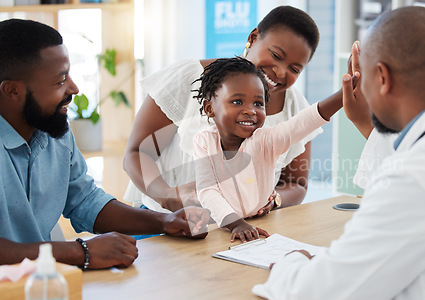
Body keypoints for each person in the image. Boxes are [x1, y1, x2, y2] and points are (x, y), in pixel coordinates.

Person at [252, 6, 425, 300]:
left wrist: (290, 264)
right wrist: (368, 124)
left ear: (382, 77)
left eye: (364, 76)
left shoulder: (418, 177)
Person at [0, 19, 210, 270]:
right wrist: (81, 251)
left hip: (41, 285)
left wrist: (165, 221)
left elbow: (85, 201)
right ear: (12, 91)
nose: (74, 88)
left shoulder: (54, 133)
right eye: (60, 81)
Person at [122, 5, 343, 216]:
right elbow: (138, 153)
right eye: (276, 55)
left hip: (241, 233)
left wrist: (273, 199)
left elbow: (296, 184)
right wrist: (169, 197)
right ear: (253, 38)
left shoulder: (295, 106)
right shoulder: (190, 77)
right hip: (163, 223)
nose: (279, 72)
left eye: (294, 69)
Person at [193, 57, 343, 242]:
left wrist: (343, 95)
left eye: (258, 103)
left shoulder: (265, 140)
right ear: (210, 108)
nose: (251, 110)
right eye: (238, 101)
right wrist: (236, 223)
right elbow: (207, 191)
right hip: (219, 228)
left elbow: (301, 124)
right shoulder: (203, 141)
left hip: (264, 225)